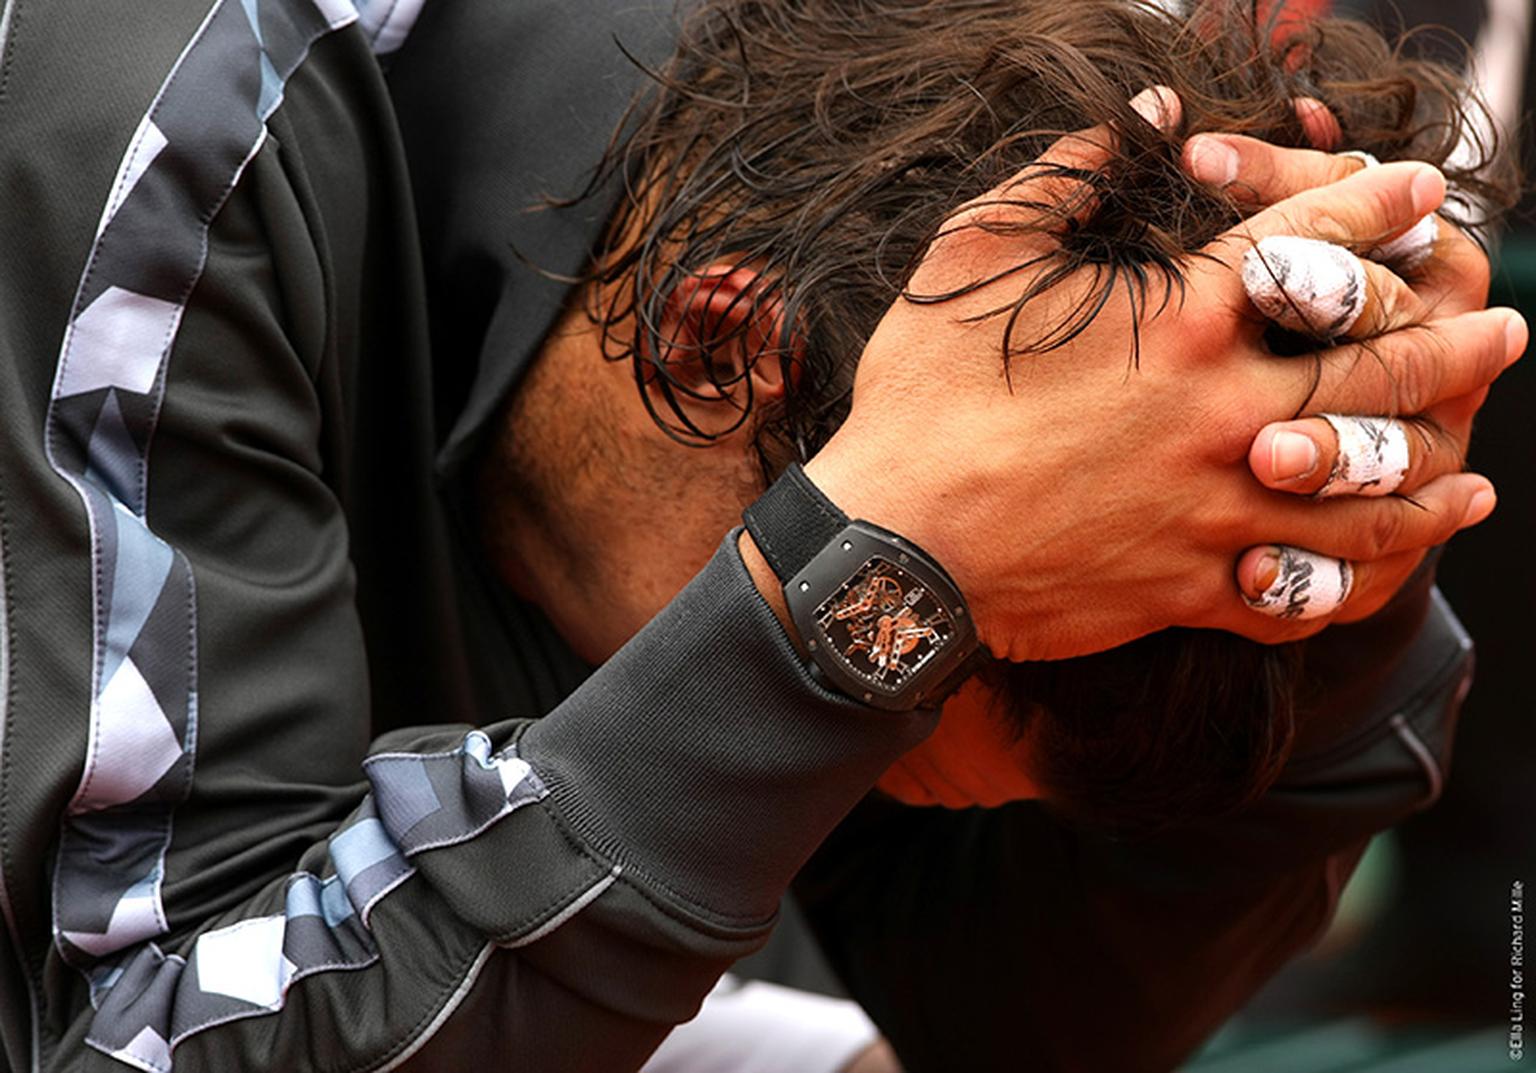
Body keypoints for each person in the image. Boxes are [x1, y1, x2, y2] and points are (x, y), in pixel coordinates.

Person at [0, 5, 1516, 1073]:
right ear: (727, 348)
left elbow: (987, 1015)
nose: (828, 780)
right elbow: (128, 1037)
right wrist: (849, 609)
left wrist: (1347, 506)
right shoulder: (171, 145)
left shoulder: (981, 140)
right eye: (886, 699)